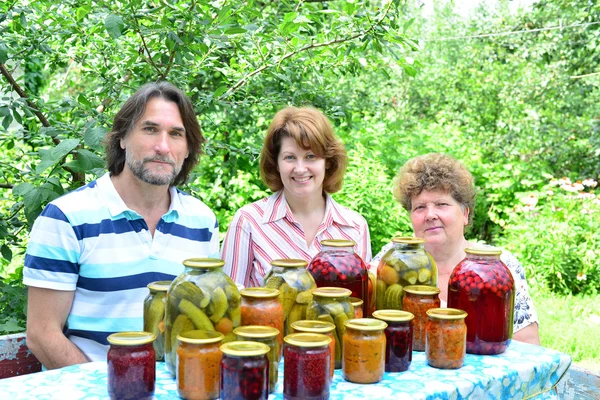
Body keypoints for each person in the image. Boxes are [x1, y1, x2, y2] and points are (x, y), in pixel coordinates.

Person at [23, 82, 220, 368]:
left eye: (176, 134)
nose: (162, 146)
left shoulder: (202, 222)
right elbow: (42, 335)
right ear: (122, 138)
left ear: (188, 149)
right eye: (150, 129)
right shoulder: (66, 218)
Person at [371, 153, 540, 345]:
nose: (430, 215)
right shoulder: (392, 259)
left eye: (442, 204)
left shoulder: (499, 266)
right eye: (419, 207)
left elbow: (528, 345)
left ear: (465, 214)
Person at [221, 106, 371, 287]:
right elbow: (229, 302)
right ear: (276, 163)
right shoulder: (248, 222)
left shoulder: (355, 227)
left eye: (310, 156)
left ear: (328, 162)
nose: (300, 169)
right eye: (290, 157)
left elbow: (362, 304)